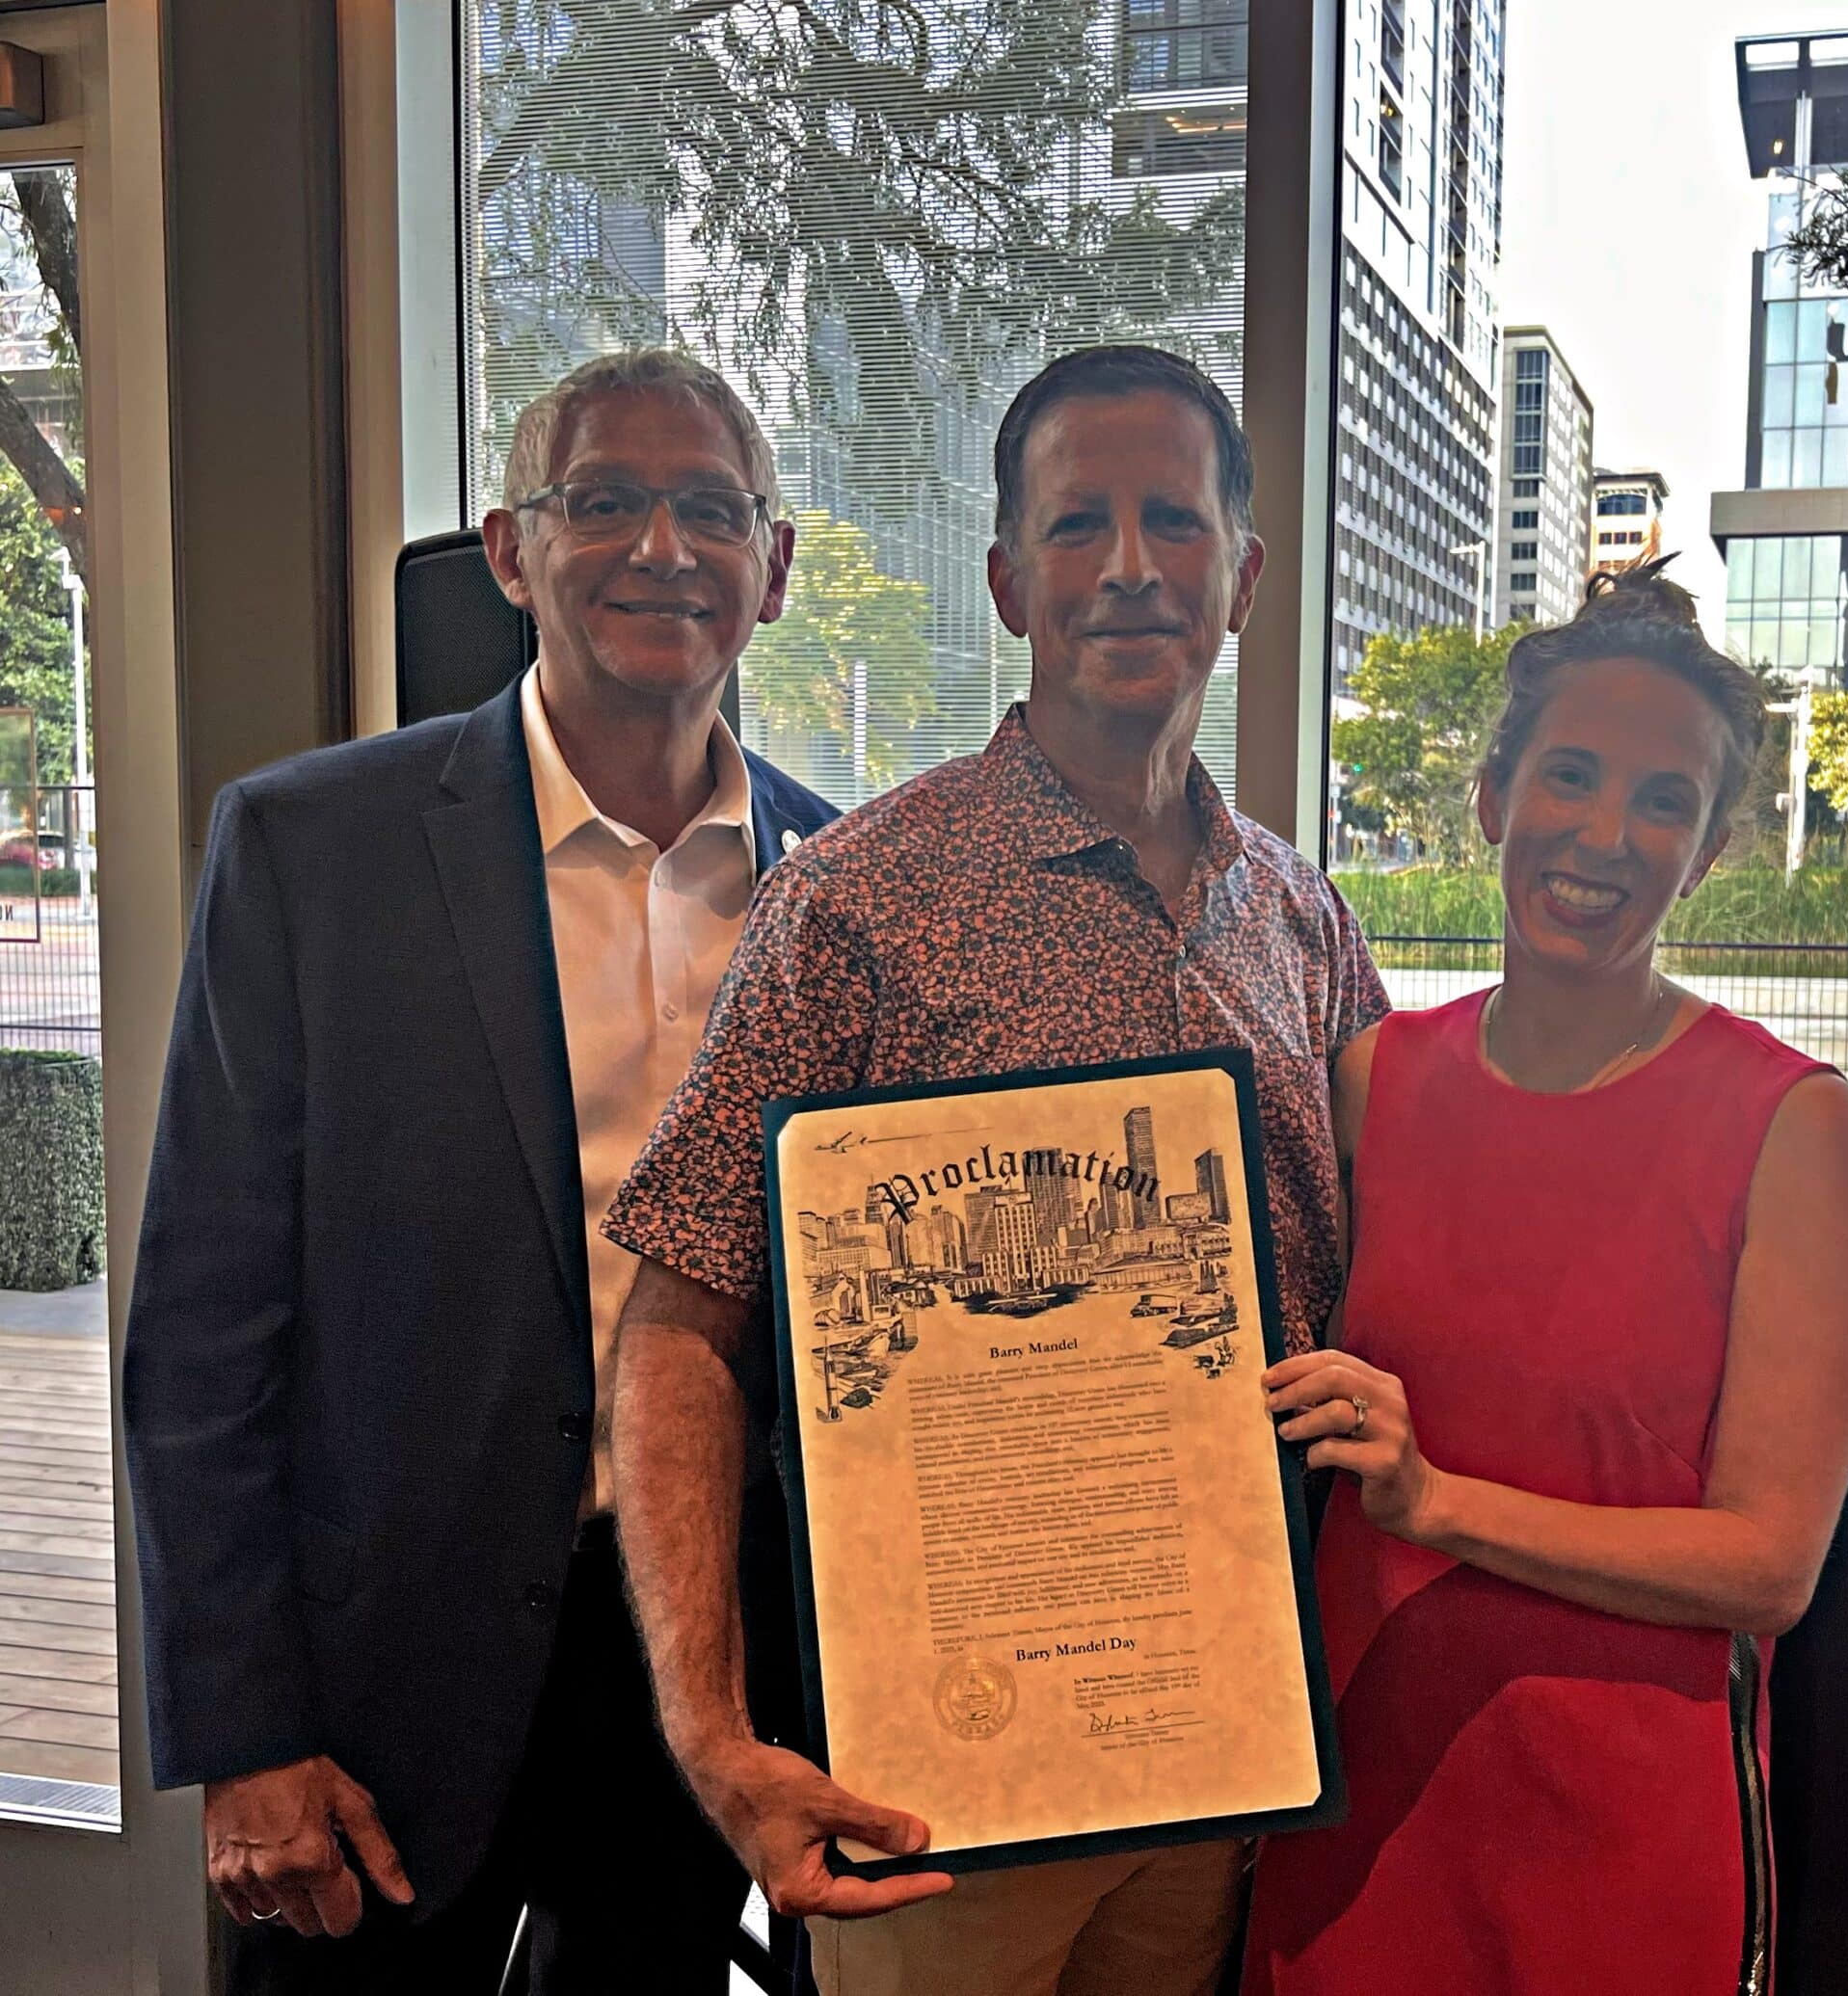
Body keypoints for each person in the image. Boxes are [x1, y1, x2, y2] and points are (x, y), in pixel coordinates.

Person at [599, 343, 1388, 1995]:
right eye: (1076, 525)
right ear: (1008, 582)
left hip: (1228, 1746)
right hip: (945, 1783)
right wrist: (711, 1730)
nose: (1125, 567)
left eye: (1171, 522)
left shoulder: (1304, 922)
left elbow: (1388, 1268)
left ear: (1242, 580)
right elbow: (678, 1317)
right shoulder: (861, 900)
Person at [121, 349, 839, 1992]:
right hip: (384, 1674)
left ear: (774, 570)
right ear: (513, 552)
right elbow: (204, 1328)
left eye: (713, 510)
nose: (662, 548)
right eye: (603, 502)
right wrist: (246, 1727)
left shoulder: (849, 891)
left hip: (706, 1664)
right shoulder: (312, 851)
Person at [1243, 558, 1848, 1995]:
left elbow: (1767, 1565)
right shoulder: (1372, 1084)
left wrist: (1435, 1502)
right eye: (1571, 777)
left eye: (1664, 803)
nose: (1603, 834)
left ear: (1709, 852)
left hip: (1618, 1812)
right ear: (1492, 800)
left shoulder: (1788, 1123)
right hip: (1360, 1788)